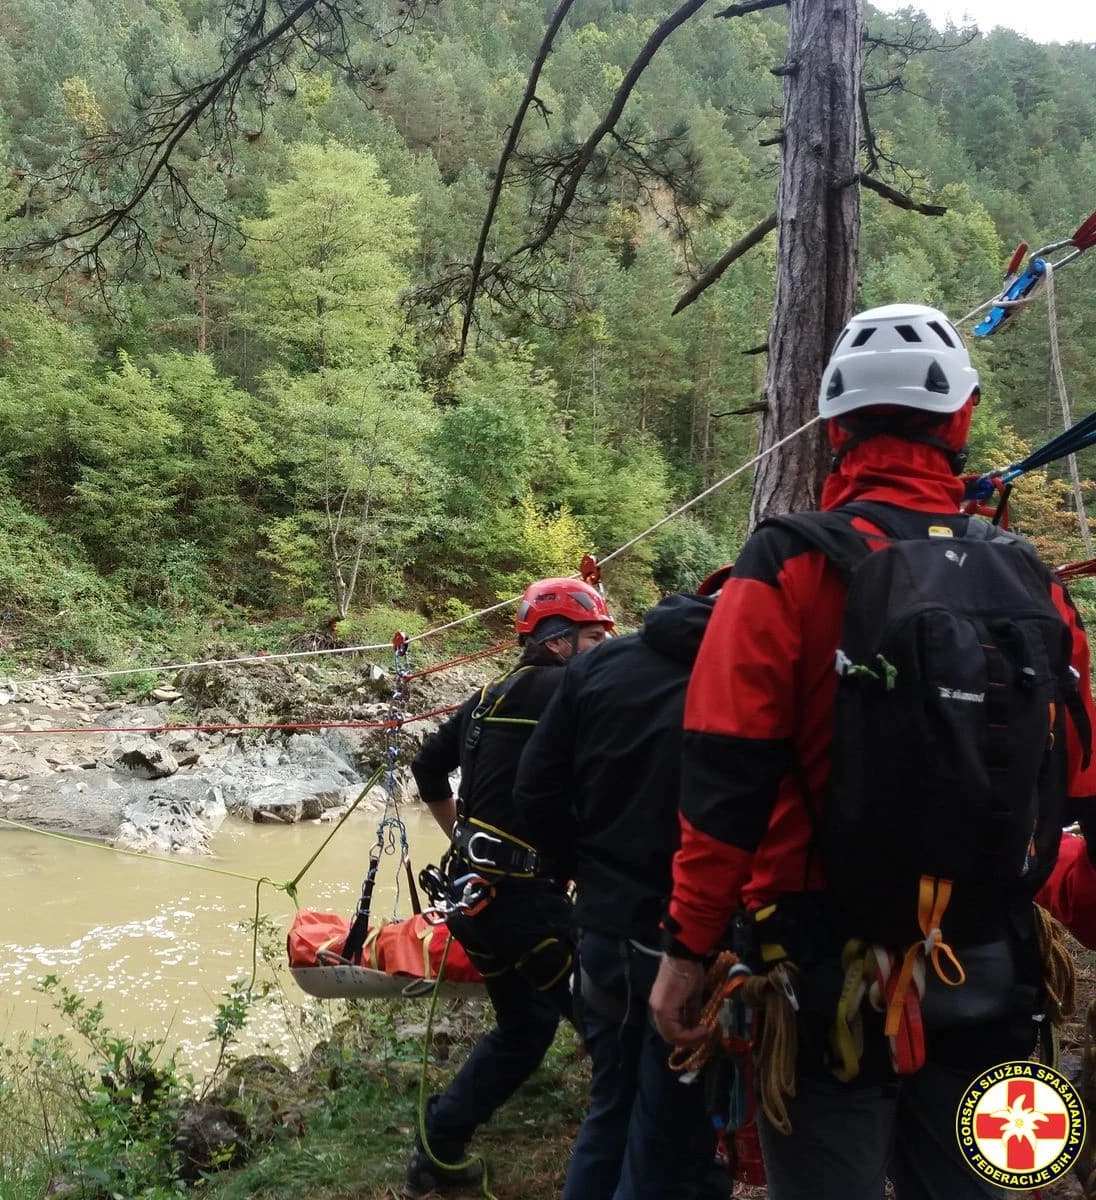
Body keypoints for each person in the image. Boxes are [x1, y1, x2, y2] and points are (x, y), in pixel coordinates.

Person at [648, 304, 1096, 1200]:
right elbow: (1078, 780)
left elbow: (726, 778)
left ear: (833, 431)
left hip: (825, 977)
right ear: (963, 420)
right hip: (992, 965)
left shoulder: (786, 563)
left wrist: (686, 949)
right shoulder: (1031, 579)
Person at [510, 575, 731, 1200]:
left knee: (611, 1109)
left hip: (607, 929)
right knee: (665, 1136)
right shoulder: (755, 673)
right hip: (698, 940)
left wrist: (582, 870)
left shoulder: (599, 668)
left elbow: (535, 792)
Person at [403, 576, 614, 1200]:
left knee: (525, 1027)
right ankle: (638, 1165)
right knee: (611, 1032)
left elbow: (428, 765)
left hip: (474, 896)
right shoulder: (573, 693)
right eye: (594, 638)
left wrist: (465, 839)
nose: (605, 650)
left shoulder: (487, 697)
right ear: (557, 642)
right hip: (525, 903)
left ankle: (437, 1149)